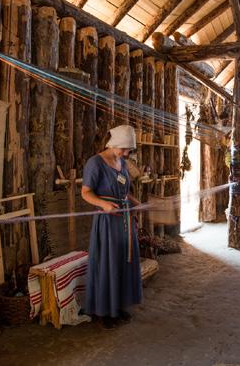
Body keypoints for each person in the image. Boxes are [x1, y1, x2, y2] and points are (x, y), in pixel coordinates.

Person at [81, 125, 143, 330]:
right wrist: (104, 204)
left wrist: (136, 203)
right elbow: (86, 192)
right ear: (113, 143)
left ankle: (119, 305)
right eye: (124, 149)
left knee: (124, 261)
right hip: (107, 221)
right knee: (108, 263)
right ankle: (104, 311)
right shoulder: (95, 163)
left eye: (128, 150)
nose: (126, 153)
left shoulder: (122, 163)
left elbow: (124, 193)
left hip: (124, 219)